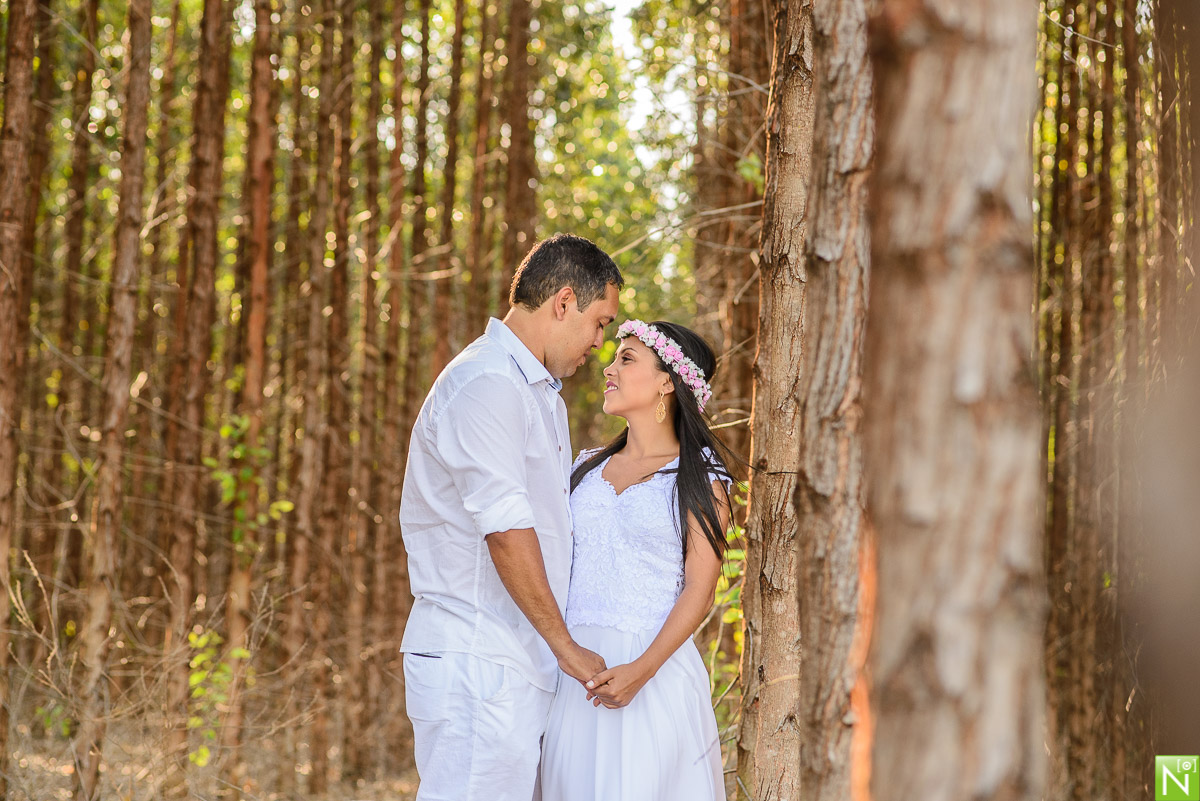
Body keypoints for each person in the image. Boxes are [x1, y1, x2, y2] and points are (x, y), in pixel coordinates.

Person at [398, 233, 622, 801]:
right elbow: (505, 528)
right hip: (478, 662)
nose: (600, 342)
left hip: (511, 665)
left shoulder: (540, 392)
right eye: (600, 322)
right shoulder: (488, 383)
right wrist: (565, 646)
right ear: (564, 302)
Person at [540, 319, 736, 801]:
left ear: (668, 382)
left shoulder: (699, 477)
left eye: (626, 359)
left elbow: (700, 589)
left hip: (654, 675)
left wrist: (641, 670)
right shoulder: (582, 468)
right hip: (575, 673)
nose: (608, 368)